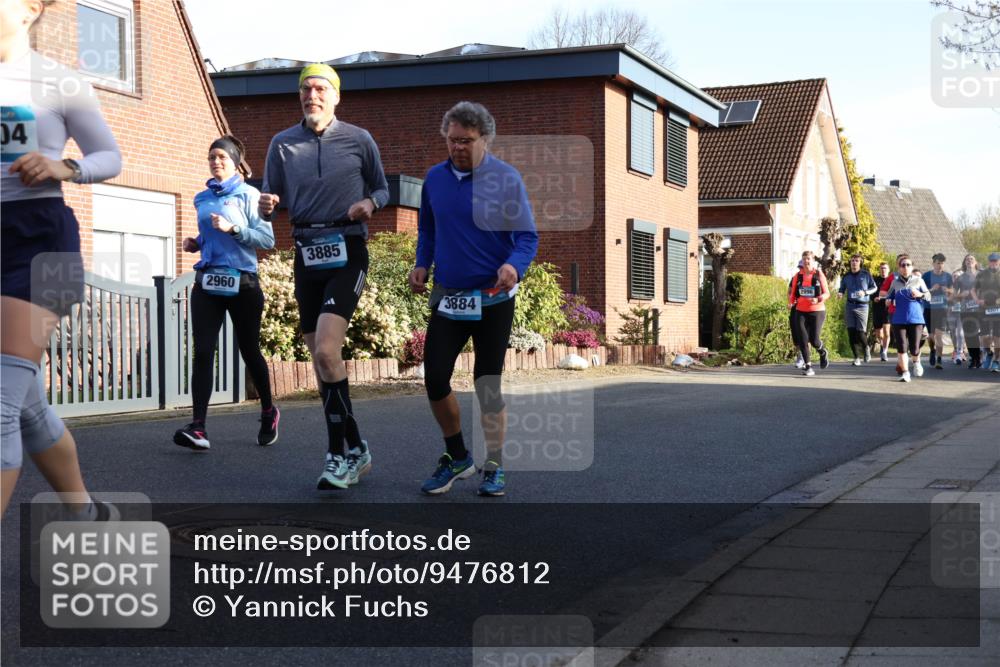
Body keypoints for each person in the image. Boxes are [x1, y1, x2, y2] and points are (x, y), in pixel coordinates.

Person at [1, 0, 121, 517]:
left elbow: (109, 156)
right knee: (26, 407)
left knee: (0, 405)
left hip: (40, 243)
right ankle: (87, 514)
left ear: (29, 9)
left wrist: (62, 166)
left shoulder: (59, 82)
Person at [259, 63, 389, 491]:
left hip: (348, 248)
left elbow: (384, 189)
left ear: (336, 96)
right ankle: (357, 445)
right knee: (321, 360)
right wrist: (266, 204)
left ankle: (339, 457)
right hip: (305, 250)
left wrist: (370, 204)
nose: (311, 95)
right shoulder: (281, 144)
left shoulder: (359, 139)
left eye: (320, 88)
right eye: (305, 89)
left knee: (329, 351)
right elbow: (270, 199)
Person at [409, 102, 538, 497]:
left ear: (485, 139)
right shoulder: (434, 179)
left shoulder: (506, 178)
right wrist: (421, 263)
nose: (457, 148)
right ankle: (457, 456)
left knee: (487, 385)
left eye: (466, 141)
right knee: (434, 378)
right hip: (449, 296)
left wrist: (514, 267)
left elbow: (526, 237)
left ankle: (494, 463)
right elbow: (427, 230)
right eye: (451, 140)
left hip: (493, 297)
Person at [173, 136, 279, 450]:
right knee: (203, 351)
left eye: (221, 157)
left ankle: (268, 410)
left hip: (243, 283)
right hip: (208, 282)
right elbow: (211, 239)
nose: (216, 162)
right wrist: (197, 243)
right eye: (211, 157)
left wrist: (234, 229)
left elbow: (266, 239)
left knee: (249, 351)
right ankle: (199, 428)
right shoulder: (201, 199)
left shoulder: (250, 195)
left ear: (235, 162)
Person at [885, 254, 930, 382]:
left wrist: (920, 294)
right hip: (899, 318)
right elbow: (889, 296)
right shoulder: (895, 282)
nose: (905, 267)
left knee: (914, 348)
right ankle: (905, 372)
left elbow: (929, 296)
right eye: (902, 265)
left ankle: (916, 362)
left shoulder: (918, 281)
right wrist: (888, 301)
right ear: (899, 268)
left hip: (916, 318)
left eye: (908, 265)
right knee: (902, 347)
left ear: (912, 267)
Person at [788, 251, 831, 377]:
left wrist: (818, 299)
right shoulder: (798, 276)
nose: (806, 262)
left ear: (813, 261)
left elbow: (827, 293)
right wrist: (791, 302)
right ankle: (808, 366)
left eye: (809, 259)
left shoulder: (818, 274)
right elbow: (793, 293)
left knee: (814, 340)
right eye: (804, 259)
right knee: (803, 339)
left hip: (817, 310)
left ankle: (822, 351)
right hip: (800, 310)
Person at [837, 254, 878, 365]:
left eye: (856, 261)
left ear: (860, 263)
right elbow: (842, 288)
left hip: (862, 305)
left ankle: (866, 348)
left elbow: (874, 288)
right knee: (851, 332)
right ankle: (856, 357)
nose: (854, 262)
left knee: (860, 332)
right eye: (852, 260)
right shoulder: (846, 276)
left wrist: (865, 292)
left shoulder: (866, 275)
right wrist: (840, 293)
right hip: (850, 305)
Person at [922, 253, 953, 369]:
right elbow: (921, 292)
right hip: (928, 308)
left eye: (942, 263)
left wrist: (947, 290)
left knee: (939, 335)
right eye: (938, 263)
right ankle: (932, 350)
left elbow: (953, 291)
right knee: (931, 336)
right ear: (933, 263)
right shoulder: (926, 276)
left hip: (941, 309)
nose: (940, 265)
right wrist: (931, 289)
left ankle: (939, 359)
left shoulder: (948, 276)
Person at [973, 252, 1000, 373]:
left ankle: (996, 361)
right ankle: (989, 353)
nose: (993, 263)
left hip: (998, 309)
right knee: (984, 337)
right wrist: (977, 300)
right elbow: (973, 289)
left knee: (997, 336)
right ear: (988, 262)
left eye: (996, 261)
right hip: (983, 309)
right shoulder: (982, 274)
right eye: (991, 261)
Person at [954, 254, 982, 369]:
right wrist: (962, 294)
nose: (969, 261)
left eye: (971, 259)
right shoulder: (960, 278)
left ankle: (981, 356)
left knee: (979, 334)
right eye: (967, 259)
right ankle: (974, 358)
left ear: (975, 262)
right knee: (969, 335)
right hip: (965, 309)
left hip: (980, 309)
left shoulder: (981, 275)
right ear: (964, 263)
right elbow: (954, 296)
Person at [871, 262, 892, 362]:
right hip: (877, 308)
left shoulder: (892, 281)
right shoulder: (875, 280)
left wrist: (888, 299)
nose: (883, 270)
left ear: (888, 270)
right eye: (881, 268)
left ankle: (884, 351)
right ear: (879, 270)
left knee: (887, 331)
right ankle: (883, 344)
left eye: (885, 268)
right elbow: (870, 293)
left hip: (887, 308)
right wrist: (874, 298)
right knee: (879, 333)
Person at [948, 268, 966, 365]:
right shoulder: (949, 288)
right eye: (954, 276)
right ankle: (956, 350)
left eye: (958, 276)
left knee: (960, 332)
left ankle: (960, 352)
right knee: (952, 332)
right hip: (951, 313)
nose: (956, 277)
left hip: (962, 313)